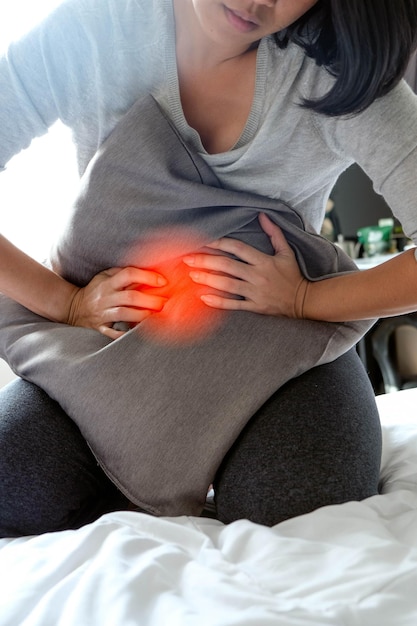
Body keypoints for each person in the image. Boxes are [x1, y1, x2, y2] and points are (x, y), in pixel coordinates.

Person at [1, 0, 417, 537]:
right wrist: (65, 301)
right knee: (14, 485)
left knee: (301, 508)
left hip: (276, 341)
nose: (258, 2)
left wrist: (303, 301)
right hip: (115, 344)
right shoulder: (95, 27)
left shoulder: (339, 75)